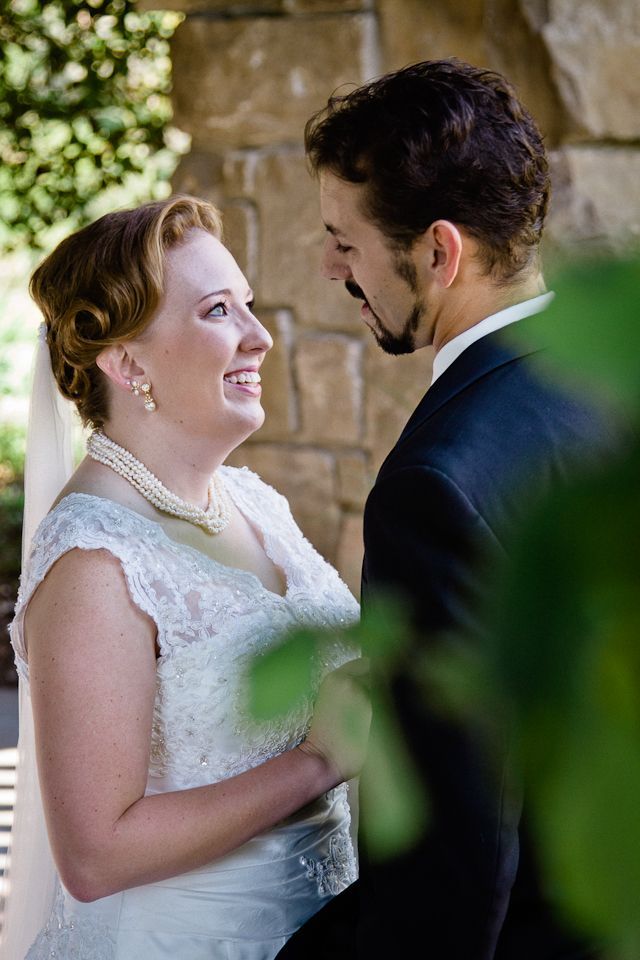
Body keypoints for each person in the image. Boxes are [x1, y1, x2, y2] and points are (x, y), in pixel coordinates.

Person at [277, 58, 607, 959]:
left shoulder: (435, 486)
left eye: (346, 242)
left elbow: (456, 861)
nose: (328, 264)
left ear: (438, 251)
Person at [0, 195, 370, 959]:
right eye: (217, 312)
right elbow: (97, 855)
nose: (260, 337)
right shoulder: (94, 564)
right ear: (128, 361)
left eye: (250, 307)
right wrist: (319, 762)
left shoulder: (252, 501)